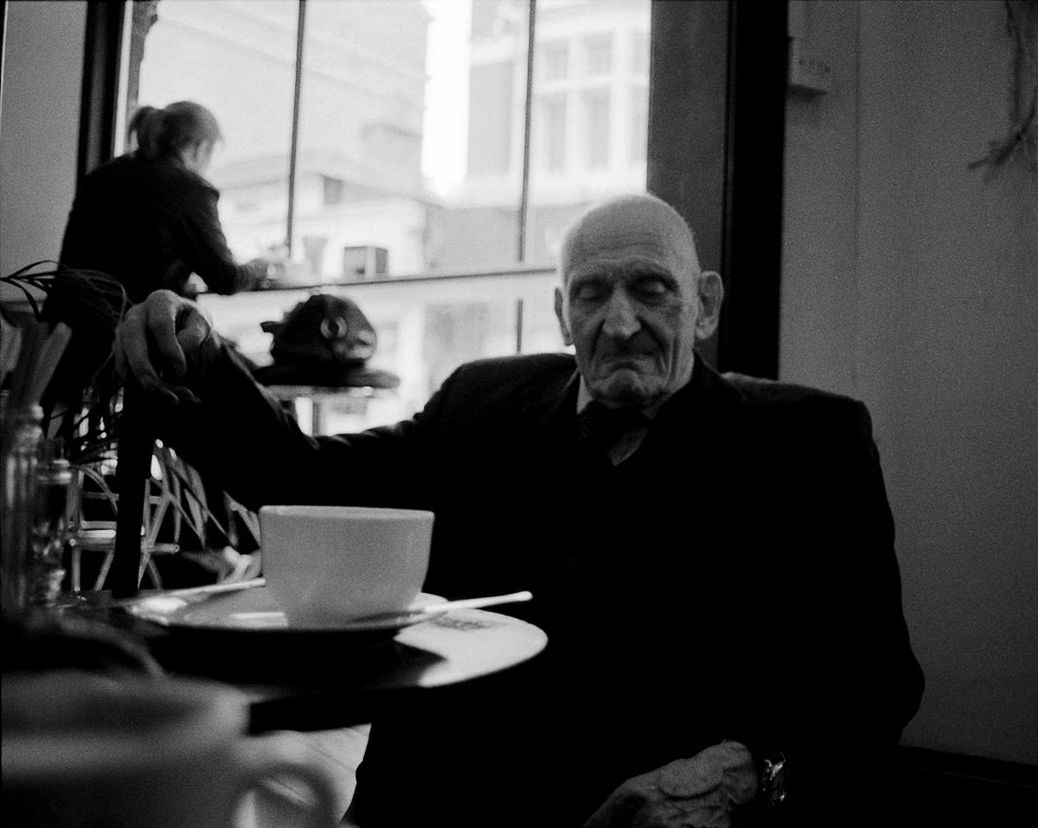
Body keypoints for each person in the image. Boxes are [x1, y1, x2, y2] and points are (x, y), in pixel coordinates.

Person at [115, 193, 924, 825]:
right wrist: (203, 360)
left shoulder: (811, 441)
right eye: (591, 293)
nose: (620, 322)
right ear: (559, 311)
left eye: (652, 290)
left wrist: (748, 772)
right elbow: (303, 478)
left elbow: (875, 686)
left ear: (705, 304)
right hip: (441, 810)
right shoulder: (482, 400)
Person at [44, 101, 272, 412]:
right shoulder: (189, 189)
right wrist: (263, 266)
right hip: (139, 342)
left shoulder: (102, 176)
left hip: (65, 337)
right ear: (198, 146)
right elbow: (225, 277)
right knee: (255, 383)